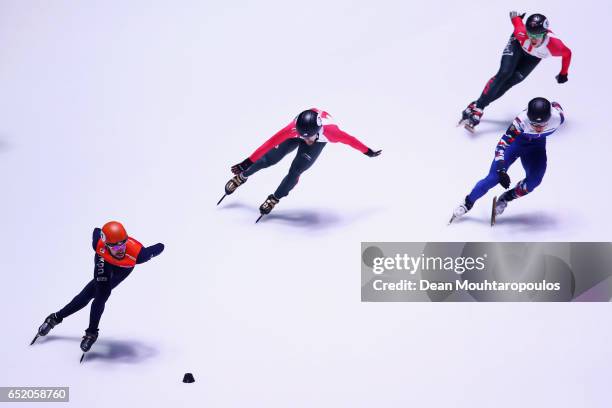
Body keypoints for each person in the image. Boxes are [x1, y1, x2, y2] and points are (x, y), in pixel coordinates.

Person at [221, 108, 381, 218]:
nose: (306, 140)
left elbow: (351, 141)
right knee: (269, 159)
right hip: (295, 133)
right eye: (303, 137)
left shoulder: (332, 132)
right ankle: (242, 177)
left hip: (319, 137)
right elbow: (269, 144)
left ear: (318, 131)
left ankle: (275, 198)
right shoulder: (292, 129)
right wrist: (246, 163)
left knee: (296, 171)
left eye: (309, 137)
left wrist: (368, 151)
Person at [34, 221, 164, 352]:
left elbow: (160, 247)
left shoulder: (139, 254)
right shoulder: (97, 243)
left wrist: (161, 245)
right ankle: (63, 322)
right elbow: (96, 230)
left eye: (123, 244)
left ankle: (74, 325)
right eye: (115, 247)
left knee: (96, 295)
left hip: (122, 270)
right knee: (93, 295)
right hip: (104, 262)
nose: (121, 250)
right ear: (106, 244)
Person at [451, 97, 565, 223]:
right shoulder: (521, 121)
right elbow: (501, 146)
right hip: (516, 144)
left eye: (542, 125)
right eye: (534, 124)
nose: (538, 128)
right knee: (493, 178)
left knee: (534, 181)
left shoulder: (557, 117)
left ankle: (506, 198)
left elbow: (555, 104)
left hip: (536, 149)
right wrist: (501, 170)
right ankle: (467, 203)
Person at [460, 12, 571, 131]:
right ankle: (479, 108)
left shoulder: (555, 45)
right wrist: (516, 16)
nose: (533, 39)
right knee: (504, 73)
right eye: (530, 34)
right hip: (517, 46)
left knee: (510, 82)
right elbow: (515, 18)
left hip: (532, 58)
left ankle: (476, 105)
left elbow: (567, 54)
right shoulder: (521, 32)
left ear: (545, 34)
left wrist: (563, 73)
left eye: (537, 36)